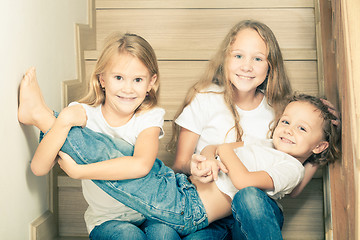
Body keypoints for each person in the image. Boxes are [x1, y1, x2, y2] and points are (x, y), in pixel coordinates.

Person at [20, 67, 341, 238]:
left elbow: (244, 182)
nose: (286, 129)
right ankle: (50, 119)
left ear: (319, 145)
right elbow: (217, 151)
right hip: (182, 186)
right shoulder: (266, 146)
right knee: (119, 150)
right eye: (286, 121)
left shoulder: (291, 168)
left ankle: (45, 118)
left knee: (128, 175)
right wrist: (207, 161)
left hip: (188, 210)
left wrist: (226, 152)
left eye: (301, 129)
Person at [18, 33, 180, 240]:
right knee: (128, 236)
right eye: (119, 77)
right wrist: (64, 120)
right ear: (102, 78)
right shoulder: (83, 113)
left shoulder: (149, 117)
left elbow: (141, 165)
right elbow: (39, 168)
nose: (128, 89)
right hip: (106, 220)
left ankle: (41, 115)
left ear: (151, 83)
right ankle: (38, 115)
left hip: (149, 211)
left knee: (165, 234)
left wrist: (79, 172)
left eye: (138, 80)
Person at [170, 19, 294, 239]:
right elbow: (180, 164)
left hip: (256, 211)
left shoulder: (279, 111)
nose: (247, 66)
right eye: (238, 56)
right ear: (225, 59)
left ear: (270, 66)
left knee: (249, 198)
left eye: (257, 58)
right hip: (210, 211)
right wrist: (196, 166)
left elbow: (290, 170)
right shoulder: (205, 98)